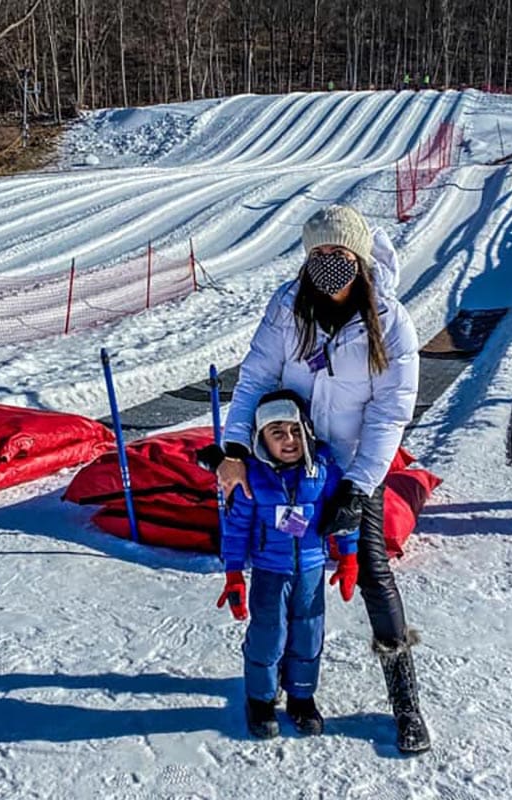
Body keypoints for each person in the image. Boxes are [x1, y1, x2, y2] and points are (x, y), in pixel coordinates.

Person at [215, 205, 430, 753]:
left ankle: (406, 702)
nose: (328, 264)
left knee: (375, 573)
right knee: (279, 568)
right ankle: (270, 683)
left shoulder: (390, 319)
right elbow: (256, 377)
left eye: (339, 254)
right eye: (318, 254)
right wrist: (236, 449)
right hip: (291, 462)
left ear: (359, 258)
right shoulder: (289, 308)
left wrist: (358, 487)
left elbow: (389, 411)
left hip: (356, 464)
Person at [216, 389, 358, 740]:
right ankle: (261, 700)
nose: (289, 440)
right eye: (277, 433)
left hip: (310, 568)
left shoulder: (323, 470)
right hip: (269, 571)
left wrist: (349, 556)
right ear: (261, 439)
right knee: (268, 635)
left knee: (309, 634)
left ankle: (301, 696)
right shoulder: (252, 476)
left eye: (295, 430)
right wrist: (234, 573)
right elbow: (235, 528)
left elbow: (344, 515)